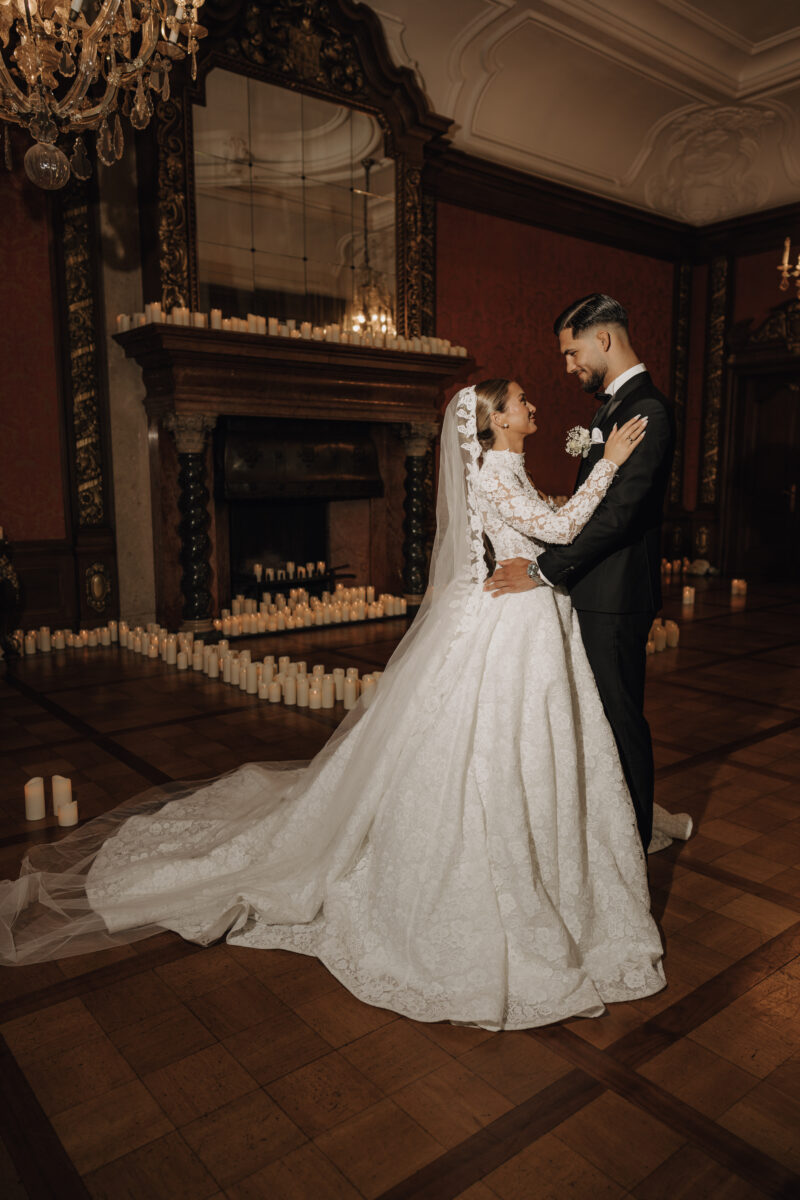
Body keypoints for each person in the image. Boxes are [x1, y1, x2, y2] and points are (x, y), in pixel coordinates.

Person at [0, 380, 667, 1031]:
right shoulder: (495, 471)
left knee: (527, 746)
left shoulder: (508, 468)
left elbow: (541, 528)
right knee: (496, 750)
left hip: (530, 622)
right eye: (521, 400)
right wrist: (606, 467)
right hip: (517, 623)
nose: (532, 404)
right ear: (494, 422)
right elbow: (559, 525)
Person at [486, 294, 690, 855]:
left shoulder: (646, 409)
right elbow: (592, 504)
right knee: (599, 717)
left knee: (619, 718)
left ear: (603, 339)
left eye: (572, 352)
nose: (568, 366)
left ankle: (633, 838)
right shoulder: (615, 406)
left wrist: (543, 570)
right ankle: (611, 824)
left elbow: (621, 517)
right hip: (595, 584)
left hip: (617, 591)